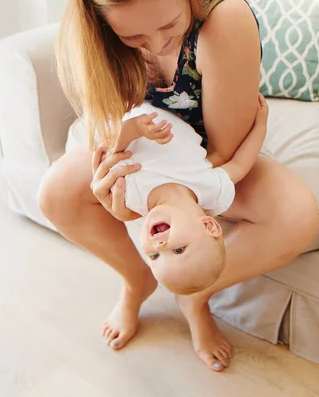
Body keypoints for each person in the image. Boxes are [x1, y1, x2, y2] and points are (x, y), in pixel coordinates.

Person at [38, 0, 319, 372]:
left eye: (170, 26)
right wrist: (123, 199)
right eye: (133, 36)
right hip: (147, 154)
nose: (158, 44)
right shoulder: (99, 40)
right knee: (54, 193)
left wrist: (167, 200)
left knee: (295, 213)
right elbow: (110, 134)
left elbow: (224, 152)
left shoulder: (223, 19)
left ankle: (195, 296)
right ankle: (136, 281)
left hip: (204, 154)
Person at [107, 95, 268, 302]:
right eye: (178, 250)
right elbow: (240, 164)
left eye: (154, 257)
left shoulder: (131, 195)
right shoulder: (211, 189)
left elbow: (110, 147)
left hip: (132, 104)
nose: (160, 246)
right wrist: (261, 125)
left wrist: (135, 128)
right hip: (179, 106)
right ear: (209, 226)